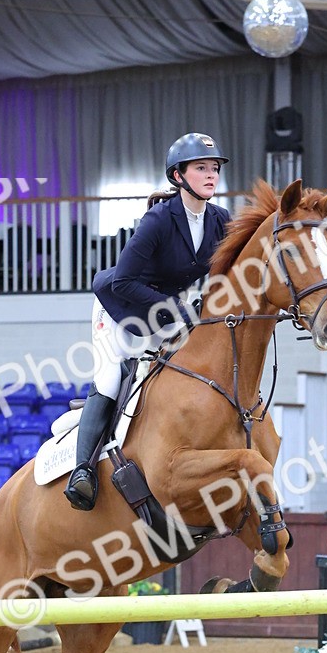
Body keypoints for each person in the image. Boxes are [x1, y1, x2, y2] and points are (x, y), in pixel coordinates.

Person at [64, 132, 231, 511]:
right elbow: (123, 281)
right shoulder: (158, 220)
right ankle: (82, 473)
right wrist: (177, 308)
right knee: (110, 380)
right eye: (201, 168)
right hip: (119, 308)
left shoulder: (220, 220)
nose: (211, 175)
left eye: (215, 168)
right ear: (178, 176)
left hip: (167, 311)